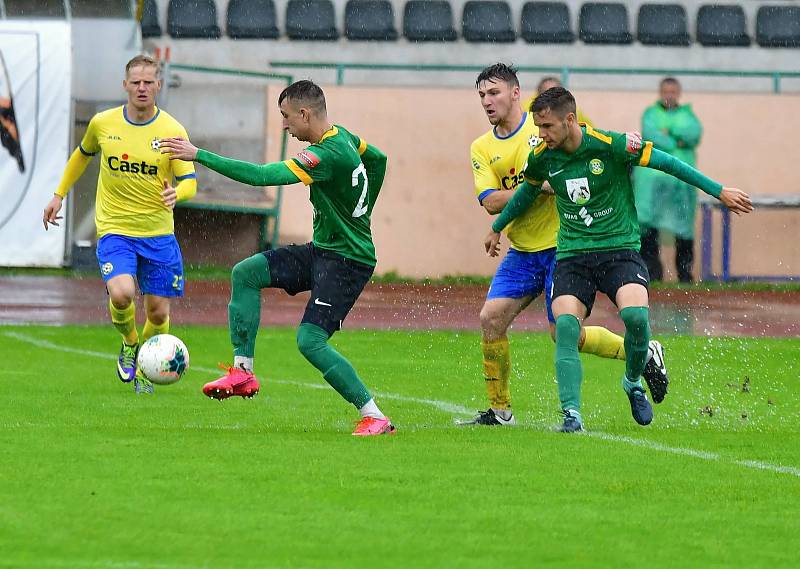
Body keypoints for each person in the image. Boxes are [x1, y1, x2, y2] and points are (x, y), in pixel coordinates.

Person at [485, 87, 752, 432]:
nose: (542, 135)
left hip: (619, 250)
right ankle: (572, 417)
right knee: (566, 327)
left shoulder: (611, 144)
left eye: (548, 126)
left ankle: (631, 382)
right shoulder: (543, 157)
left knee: (636, 318)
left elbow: (668, 163)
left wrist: (719, 191)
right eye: (539, 127)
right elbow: (527, 191)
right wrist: (497, 227)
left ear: (570, 120)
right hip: (573, 255)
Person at [159, 80, 395, 437]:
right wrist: (362, 212)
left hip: (348, 261)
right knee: (246, 272)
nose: (285, 125)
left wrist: (199, 155)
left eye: (286, 117)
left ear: (305, 113)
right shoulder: (343, 136)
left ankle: (374, 414)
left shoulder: (325, 154)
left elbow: (261, 177)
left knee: (310, 341)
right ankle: (243, 372)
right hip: (324, 250)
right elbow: (378, 159)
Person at [462, 63, 668, 427]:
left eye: (493, 93)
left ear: (515, 94)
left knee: (563, 332)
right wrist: (539, 186)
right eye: (481, 95)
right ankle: (500, 410)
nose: (487, 102)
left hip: (565, 245)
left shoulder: (543, 127)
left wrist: (627, 143)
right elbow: (490, 199)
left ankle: (637, 354)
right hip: (523, 250)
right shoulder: (482, 147)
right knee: (490, 319)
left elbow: (588, 152)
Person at [42, 54, 197, 395]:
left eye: (148, 82)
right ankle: (129, 344)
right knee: (123, 292)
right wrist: (59, 194)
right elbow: (81, 155)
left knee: (156, 314)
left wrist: (178, 193)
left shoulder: (172, 130)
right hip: (115, 229)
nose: (142, 88)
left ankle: (146, 364)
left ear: (158, 85)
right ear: (125, 85)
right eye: (136, 82)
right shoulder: (103, 124)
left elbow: (190, 180)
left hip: (158, 234)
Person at [634, 77, 703, 282]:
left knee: (683, 231)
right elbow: (651, 135)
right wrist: (677, 140)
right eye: (666, 91)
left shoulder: (688, 115)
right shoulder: (650, 114)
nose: (669, 95)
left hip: (681, 185)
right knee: (648, 229)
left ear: (679, 93)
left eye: (673, 91)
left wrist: (669, 134)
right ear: (660, 92)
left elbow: (693, 135)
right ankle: (652, 275)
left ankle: (685, 276)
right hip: (652, 184)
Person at [523, 76, 592, 127]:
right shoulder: (525, 109)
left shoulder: (572, 110)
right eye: (546, 95)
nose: (550, 101)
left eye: (554, 96)